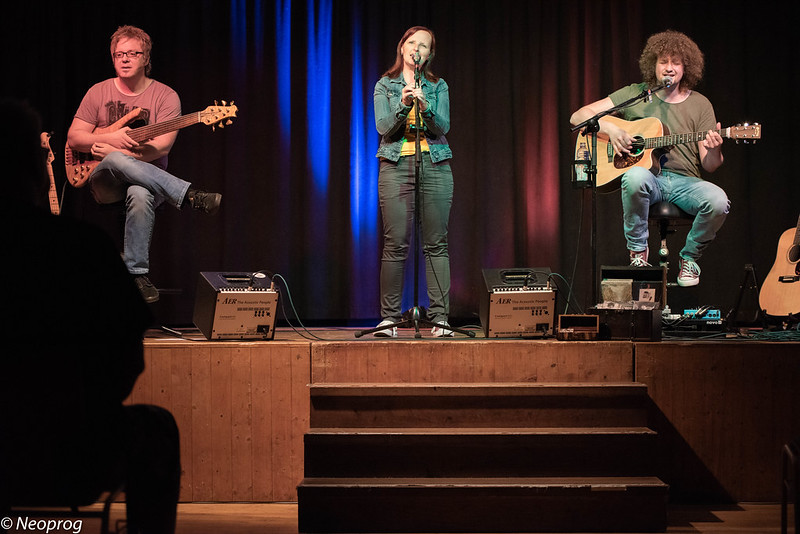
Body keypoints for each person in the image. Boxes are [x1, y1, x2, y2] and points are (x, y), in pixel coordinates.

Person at [0, 99, 181, 533]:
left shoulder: (164, 97)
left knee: (139, 189)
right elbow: (127, 360)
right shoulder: (82, 248)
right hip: (70, 453)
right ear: (33, 163)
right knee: (156, 427)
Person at [67, 25, 222, 303]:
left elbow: (161, 147)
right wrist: (112, 139)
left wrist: (114, 149)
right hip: (104, 180)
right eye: (119, 54)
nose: (124, 59)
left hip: (149, 181)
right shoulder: (97, 92)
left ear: (146, 58)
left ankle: (137, 274)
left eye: (132, 53)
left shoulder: (165, 96)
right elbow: (74, 138)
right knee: (114, 158)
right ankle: (189, 195)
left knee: (139, 192)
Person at [570, 30, 729, 287]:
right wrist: (610, 129)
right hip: (649, 179)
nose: (669, 68)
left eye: (675, 62)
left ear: (685, 67)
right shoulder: (636, 94)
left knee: (719, 201)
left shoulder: (700, 104)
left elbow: (710, 164)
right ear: (652, 65)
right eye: (663, 61)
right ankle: (638, 253)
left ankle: (689, 258)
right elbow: (578, 117)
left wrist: (714, 149)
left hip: (685, 183)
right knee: (634, 176)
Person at [372, 25, 454, 337]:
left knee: (436, 243)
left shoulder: (438, 85)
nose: (416, 48)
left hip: (435, 165)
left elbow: (444, 125)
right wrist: (404, 104)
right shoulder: (385, 84)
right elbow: (383, 127)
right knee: (395, 244)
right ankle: (389, 319)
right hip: (395, 166)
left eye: (423, 45)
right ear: (403, 46)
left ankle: (440, 318)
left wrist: (426, 107)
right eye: (411, 42)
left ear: (429, 55)